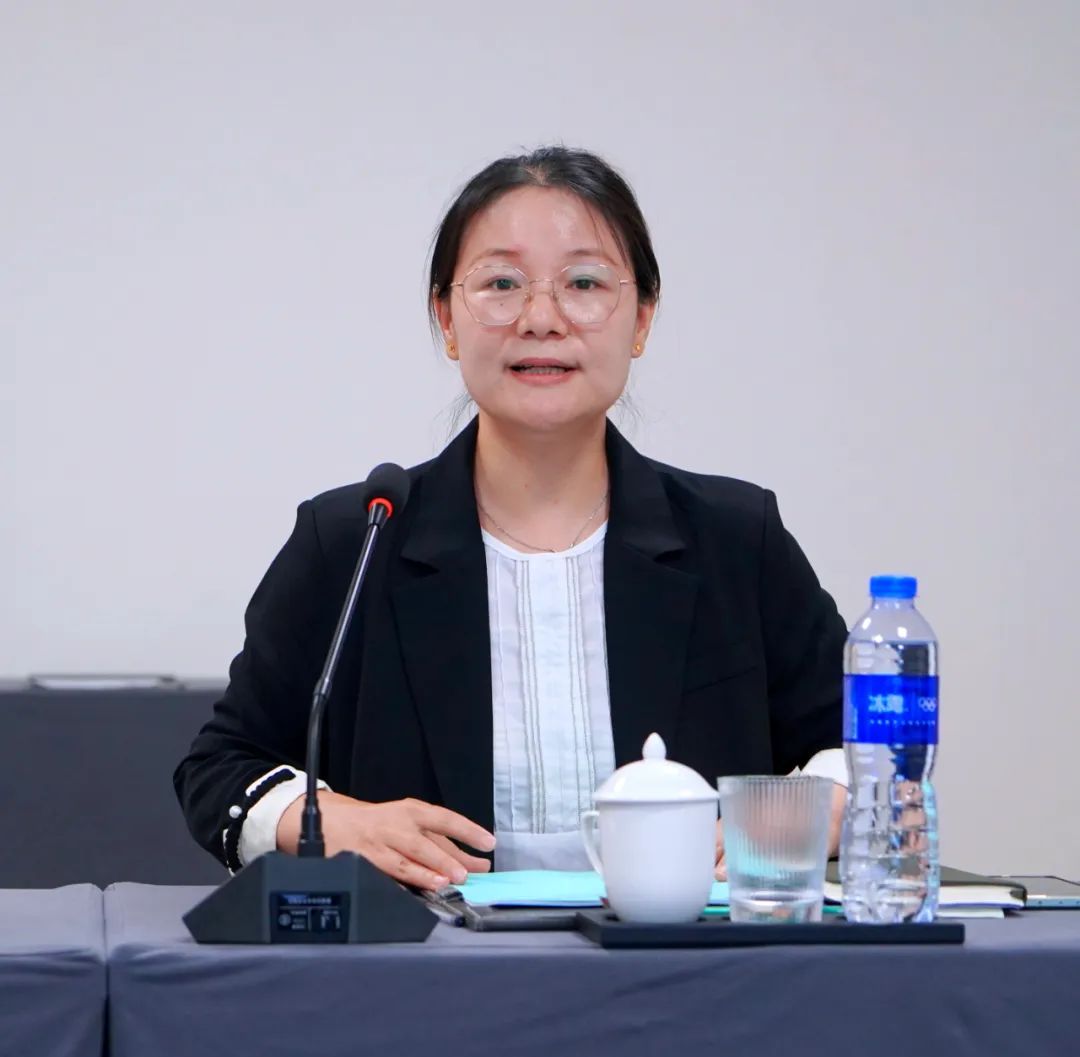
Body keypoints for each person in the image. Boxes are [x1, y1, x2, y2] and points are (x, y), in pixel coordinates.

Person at [175, 146, 848, 892]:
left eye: (584, 283)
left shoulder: (735, 539)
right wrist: (330, 819)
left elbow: (867, 751)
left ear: (642, 319)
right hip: (428, 956)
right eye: (501, 283)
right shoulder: (356, 539)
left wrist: (804, 817)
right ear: (447, 319)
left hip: (684, 956)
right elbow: (219, 769)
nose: (542, 319)